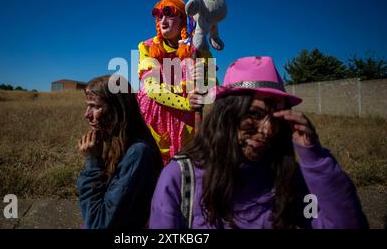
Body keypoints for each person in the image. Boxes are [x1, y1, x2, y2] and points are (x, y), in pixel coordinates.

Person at [149, 56, 368, 229]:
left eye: (277, 117)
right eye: (254, 114)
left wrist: (316, 159)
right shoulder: (181, 178)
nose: (268, 130)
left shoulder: (287, 178)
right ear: (227, 116)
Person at [77, 75, 163, 228]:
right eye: (87, 106)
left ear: (118, 110)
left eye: (96, 106)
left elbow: (100, 223)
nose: (87, 114)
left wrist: (92, 162)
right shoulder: (117, 141)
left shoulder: (137, 153)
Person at [137, 0, 213, 165]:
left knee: (184, 165)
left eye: (169, 14)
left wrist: (204, 80)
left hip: (187, 121)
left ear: (182, 19)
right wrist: (186, 103)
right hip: (156, 118)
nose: (162, 20)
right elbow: (151, 88)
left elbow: (212, 85)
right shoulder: (147, 47)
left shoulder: (198, 48)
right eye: (158, 15)